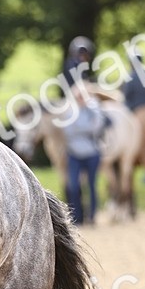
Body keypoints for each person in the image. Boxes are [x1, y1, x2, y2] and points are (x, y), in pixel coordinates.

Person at [62, 85, 106, 225]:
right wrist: (85, 128)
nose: (80, 99)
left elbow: (96, 128)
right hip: (74, 154)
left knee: (92, 185)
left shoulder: (94, 110)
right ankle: (77, 217)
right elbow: (68, 131)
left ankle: (92, 216)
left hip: (92, 153)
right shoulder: (69, 112)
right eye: (78, 96)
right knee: (74, 186)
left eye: (82, 96)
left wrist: (79, 128)